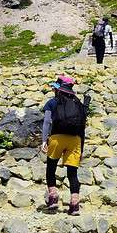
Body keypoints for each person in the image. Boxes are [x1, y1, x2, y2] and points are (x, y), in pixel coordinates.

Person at [41, 74, 89, 215]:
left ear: (58, 89)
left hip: (57, 138)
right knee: (72, 174)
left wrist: (44, 140)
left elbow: (46, 123)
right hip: (75, 140)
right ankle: (74, 205)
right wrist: (81, 149)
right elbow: (82, 128)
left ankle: (53, 198)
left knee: (51, 169)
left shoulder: (52, 102)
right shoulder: (79, 104)